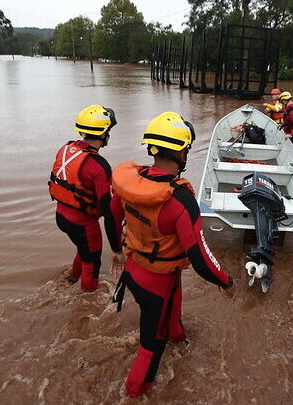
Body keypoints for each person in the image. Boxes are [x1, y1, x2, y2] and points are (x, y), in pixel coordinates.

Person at [110, 111, 236, 398]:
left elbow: (111, 215)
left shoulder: (130, 183)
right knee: (150, 346)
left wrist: (117, 252)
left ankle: (180, 339)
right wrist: (226, 281)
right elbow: (201, 258)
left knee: (171, 316)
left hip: (133, 270)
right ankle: (133, 394)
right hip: (157, 282)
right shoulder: (180, 201)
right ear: (182, 151)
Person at [48, 105, 122, 292]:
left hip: (61, 216)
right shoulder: (98, 166)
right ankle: (86, 302)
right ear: (104, 133)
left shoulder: (66, 148)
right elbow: (108, 212)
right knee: (92, 261)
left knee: (83, 249)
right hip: (83, 223)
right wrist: (117, 249)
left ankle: (72, 280)